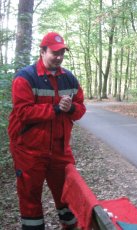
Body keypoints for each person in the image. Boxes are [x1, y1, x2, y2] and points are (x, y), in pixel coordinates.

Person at [8, 32, 86, 230]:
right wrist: (56, 108)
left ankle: (69, 226)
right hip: (29, 151)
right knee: (30, 197)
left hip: (60, 150)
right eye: (54, 52)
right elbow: (23, 113)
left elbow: (80, 108)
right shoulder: (25, 77)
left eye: (62, 53)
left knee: (66, 193)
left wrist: (71, 108)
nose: (59, 57)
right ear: (42, 51)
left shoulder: (69, 78)